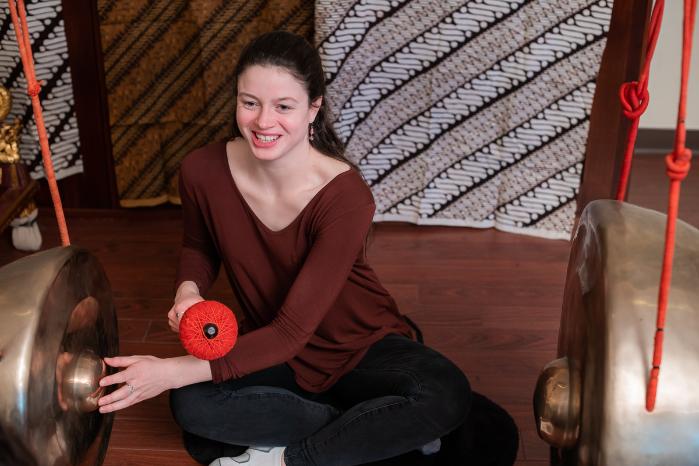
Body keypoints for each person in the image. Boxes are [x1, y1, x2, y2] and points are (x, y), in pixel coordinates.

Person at [97, 30, 471, 466]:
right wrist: (188, 290)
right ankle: (368, 429)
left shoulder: (345, 196)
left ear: (314, 108)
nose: (262, 121)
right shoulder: (202, 170)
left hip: (359, 346)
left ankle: (283, 460)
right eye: (249, 102)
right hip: (270, 344)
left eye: (284, 106)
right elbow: (198, 245)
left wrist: (167, 370)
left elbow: (293, 332)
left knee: (446, 394)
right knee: (191, 404)